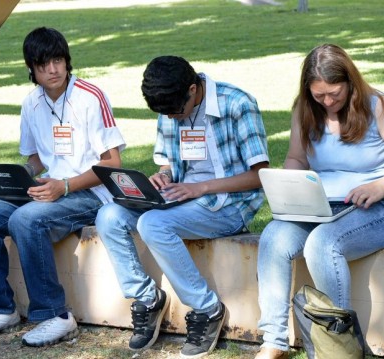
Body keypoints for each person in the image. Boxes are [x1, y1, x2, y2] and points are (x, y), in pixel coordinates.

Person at [255, 44, 384, 359]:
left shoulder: (377, 106)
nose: (328, 101)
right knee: (273, 237)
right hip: (320, 206)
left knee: (322, 245)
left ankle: (340, 348)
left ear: (350, 82)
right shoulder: (305, 109)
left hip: (380, 208)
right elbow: (296, 157)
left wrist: (382, 184)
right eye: (319, 95)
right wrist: (291, 185)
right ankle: (274, 340)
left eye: (334, 93)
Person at [95, 55, 270, 358]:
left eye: (177, 113)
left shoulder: (237, 104)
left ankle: (207, 308)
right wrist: (161, 178)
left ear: (193, 89)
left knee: (152, 224)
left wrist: (200, 187)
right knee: (109, 214)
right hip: (182, 197)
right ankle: (147, 298)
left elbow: (259, 176)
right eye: (167, 114)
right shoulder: (170, 105)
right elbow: (167, 162)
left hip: (230, 204)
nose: (173, 118)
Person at [0, 27, 125, 347]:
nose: (52, 70)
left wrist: (64, 186)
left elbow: (113, 164)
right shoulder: (31, 103)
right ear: (31, 69)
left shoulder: (90, 97)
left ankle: (55, 315)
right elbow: (36, 158)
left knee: (26, 219)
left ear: (67, 62)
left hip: (90, 193)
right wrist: (19, 176)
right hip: (48, 187)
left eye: (58, 61)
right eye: (43, 64)